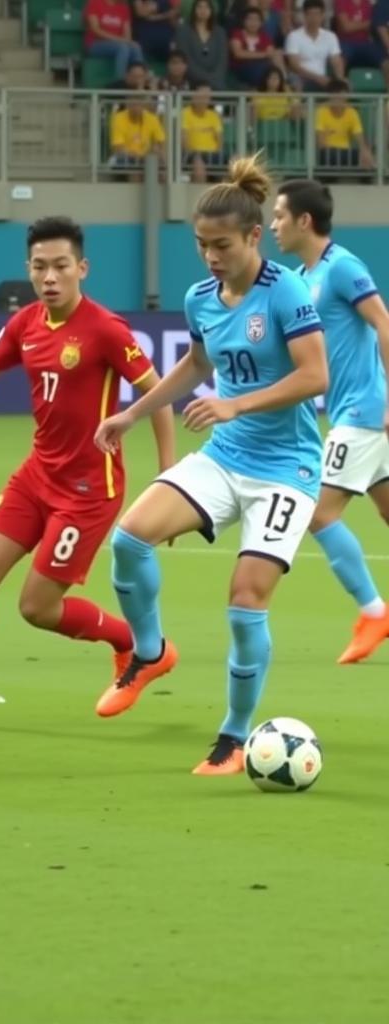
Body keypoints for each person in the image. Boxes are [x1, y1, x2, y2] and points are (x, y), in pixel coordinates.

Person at [0, 217, 175, 729]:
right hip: (37, 474)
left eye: (61, 266)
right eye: (40, 267)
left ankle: (137, 646)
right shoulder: (25, 324)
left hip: (89, 490)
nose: (50, 277)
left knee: (37, 608)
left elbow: (159, 396)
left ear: (81, 268)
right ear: (29, 269)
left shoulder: (107, 329)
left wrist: (169, 477)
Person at [93, 155, 328, 775]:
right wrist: (131, 414)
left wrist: (236, 404)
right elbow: (196, 366)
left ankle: (232, 736)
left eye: (221, 245)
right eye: (201, 245)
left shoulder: (287, 292)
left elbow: (314, 375)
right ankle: (148, 651)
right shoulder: (201, 298)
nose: (210, 257)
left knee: (246, 600)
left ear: (254, 237)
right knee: (130, 538)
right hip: (226, 458)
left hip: (287, 469)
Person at [270, 179, 389, 663]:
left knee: (318, 513)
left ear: (304, 220)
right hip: (352, 413)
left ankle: (374, 612)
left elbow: (383, 321)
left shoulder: (341, 267)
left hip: (364, 412)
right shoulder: (301, 276)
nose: (273, 224)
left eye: (279, 215)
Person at [285, 0, 345, 91]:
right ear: (304, 16)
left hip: (322, 79)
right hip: (301, 78)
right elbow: (294, 65)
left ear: (323, 15)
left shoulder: (330, 36)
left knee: (341, 86)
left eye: (317, 14)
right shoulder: (294, 36)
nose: (314, 18)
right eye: (310, 14)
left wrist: (340, 79)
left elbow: (336, 60)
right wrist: (317, 78)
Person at [84, 0, 145, 81]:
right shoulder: (95, 3)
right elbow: (95, 29)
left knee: (136, 48)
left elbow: (127, 33)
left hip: (117, 44)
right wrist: (120, 40)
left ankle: (139, 82)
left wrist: (128, 42)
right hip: (95, 44)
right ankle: (120, 82)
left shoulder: (124, 7)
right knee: (122, 48)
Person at [175, 0, 229, 90]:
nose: (203, 10)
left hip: (216, 80)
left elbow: (222, 60)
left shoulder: (220, 32)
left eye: (206, 7)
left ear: (212, 11)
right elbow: (185, 59)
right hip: (192, 81)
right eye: (199, 7)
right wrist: (207, 80)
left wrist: (214, 78)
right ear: (193, 10)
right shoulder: (183, 31)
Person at [181, 81, 224, 183]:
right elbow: (183, 139)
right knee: (198, 164)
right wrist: (191, 152)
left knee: (235, 163)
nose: (204, 100)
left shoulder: (214, 115)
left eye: (207, 97)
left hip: (212, 153)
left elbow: (220, 140)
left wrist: (218, 154)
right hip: (192, 153)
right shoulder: (184, 113)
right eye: (202, 96)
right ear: (193, 97)